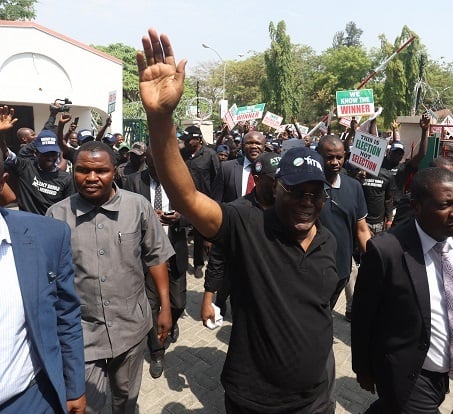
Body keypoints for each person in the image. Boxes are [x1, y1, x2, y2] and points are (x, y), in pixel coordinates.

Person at [137, 28, 338, 412]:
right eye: (297, 192)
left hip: (316, 400)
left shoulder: (328, 241)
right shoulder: (247, 224)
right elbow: (187, 196)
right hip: (254, 400)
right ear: (275, 188)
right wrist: (161, 119)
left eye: (316, 194)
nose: (306, 202)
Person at [47, 141, 174, 414]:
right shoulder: (56, 215)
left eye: (101, 171)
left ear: (114, 171)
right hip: (81, 333)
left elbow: (156, 257)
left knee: (125, 401)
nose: (91, 178)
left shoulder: (138, 207)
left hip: (131, 327)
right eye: (82, 170)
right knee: (86, 406)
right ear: (72, 171)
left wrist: (165, 306)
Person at [351, 167, 453, 413]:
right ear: (416, 206)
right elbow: (363, 317)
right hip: (407, 372)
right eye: (445, 205)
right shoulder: (387, 251)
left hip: (446, 374)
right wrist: (362, 368)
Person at [0, 111, 86, 414]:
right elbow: (13, 156)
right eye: (45, 155)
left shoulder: (64, 179)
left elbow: (65, 314)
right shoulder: (25, 167)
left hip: (46, 245)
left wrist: (74, 384)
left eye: (55, 156)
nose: (50, 160)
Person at [123, 147, 188, 379]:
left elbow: (194, 210)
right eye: (153, 165)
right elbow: (123, 214)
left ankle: (171, 319)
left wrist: (180, 219)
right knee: (150, 306)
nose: (158, 170)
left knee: (179, 302)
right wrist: (147, 216)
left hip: (175, 252)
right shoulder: (130, 182)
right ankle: (157, 352)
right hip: (146, 257)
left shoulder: (180, 179)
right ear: (145, 161)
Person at [200, 151, 281, 326]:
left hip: (278, 294)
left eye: (281, 178)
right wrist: (208, 300)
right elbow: (217, 259)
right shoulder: (235, 212)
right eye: (273, 179)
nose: (278, 184)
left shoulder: (286, 210)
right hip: (245, 294)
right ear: (257, 179)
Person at [317, 134, 370, 309]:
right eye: (329, 157)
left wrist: (374, 259)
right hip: (312, 269)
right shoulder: (309, 186)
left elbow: (361, 229)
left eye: (339, 157)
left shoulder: (354, 187)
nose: (335, 162)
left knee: (326, 313)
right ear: (318, 156)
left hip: (341, 270)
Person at [1, 127, 74, 215]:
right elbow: (7, 155)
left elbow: (69, 209)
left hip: (53, 225)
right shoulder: (25, 167)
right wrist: (1, 134)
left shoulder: (66, 179)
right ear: (36, 153)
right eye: (45, 154)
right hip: (27, 225)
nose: (50, 157)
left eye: (53, 153)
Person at [180, 125, 220, 278]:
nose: (185, 143)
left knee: (200, 234)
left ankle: (198, 264)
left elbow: (217, 179)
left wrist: (215, 202)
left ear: (197, 139)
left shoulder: (210, 155)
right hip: (184, 200)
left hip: (203, 201)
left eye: (188, 140)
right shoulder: (182, 154)